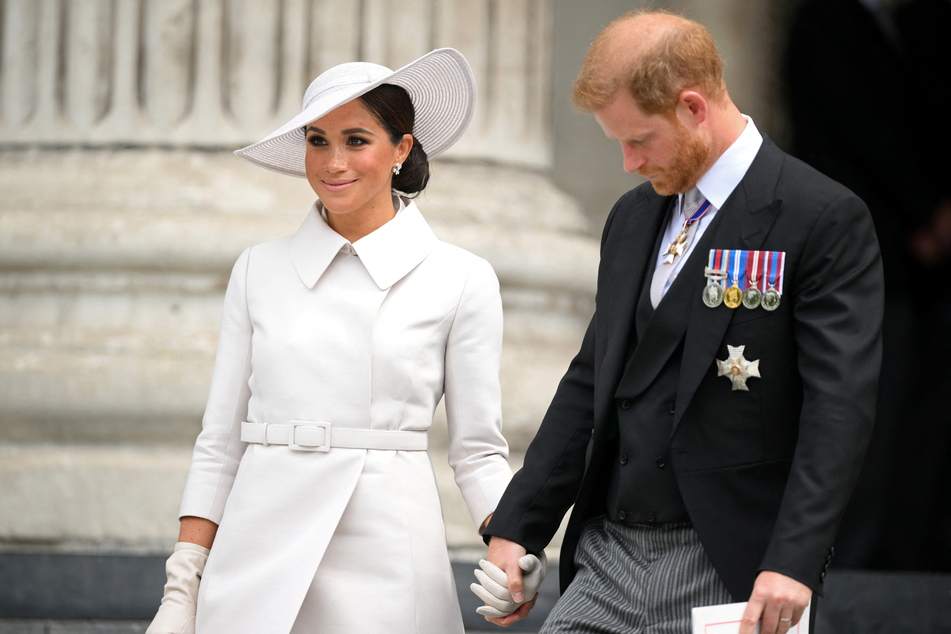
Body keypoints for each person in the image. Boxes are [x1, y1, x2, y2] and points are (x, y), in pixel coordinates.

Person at [474, 10, 883, 634]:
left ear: (693, 108)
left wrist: (794, 562)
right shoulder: (632, 218)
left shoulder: (821, 217)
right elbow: (592, 378)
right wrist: (516, 528)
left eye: (638, 140)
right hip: (607, 556)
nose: (628, 163)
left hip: (730, 566)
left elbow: (840, 405)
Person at [146, 48, 513, 634]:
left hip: (388, 555)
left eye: (357, 139)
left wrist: (512, 546)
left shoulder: (462, 278)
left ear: (402, 149)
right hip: (256, 547)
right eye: (318, 141)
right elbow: (219, 441)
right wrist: (183, 581)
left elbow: (477, 452)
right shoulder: (257, 270)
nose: (333, 162)